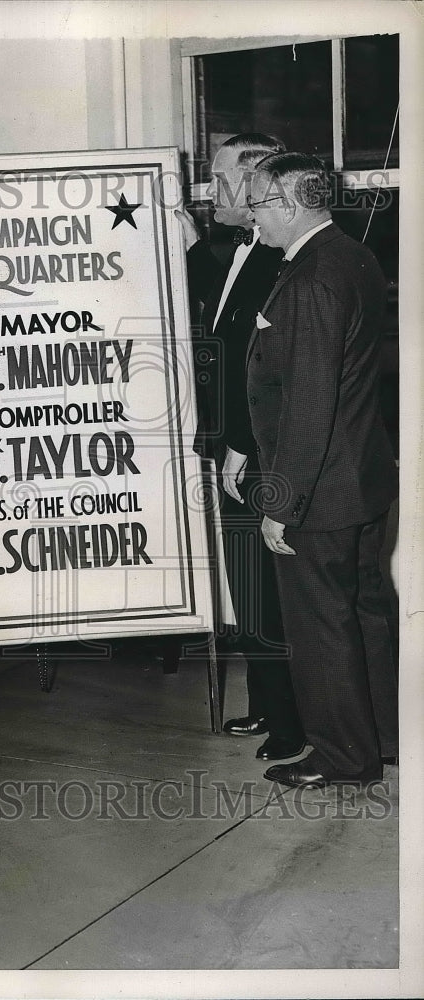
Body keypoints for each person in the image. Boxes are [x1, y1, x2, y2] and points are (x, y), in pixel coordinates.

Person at [246, 151, 398, 787]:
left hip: (321, 488)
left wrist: (283, 502)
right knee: (364, 614)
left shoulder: (310, 278)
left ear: (287, 205)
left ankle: (342, 757)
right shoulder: (353, 255)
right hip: (360, 476)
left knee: (321, 626)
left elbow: (309, 400)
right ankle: (386, 737)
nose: (251, 217)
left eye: (256, 204)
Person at [178, 133, 305, 762]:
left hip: (257, 450)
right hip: (228, 447)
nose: (213, 193)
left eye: (224, 182)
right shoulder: (233, 250)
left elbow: (263, 372)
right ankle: (265, 703)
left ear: (259, 186)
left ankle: (293, 723)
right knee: (249, 582)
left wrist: (241, 446)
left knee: (275, 590)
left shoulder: (281, 263)